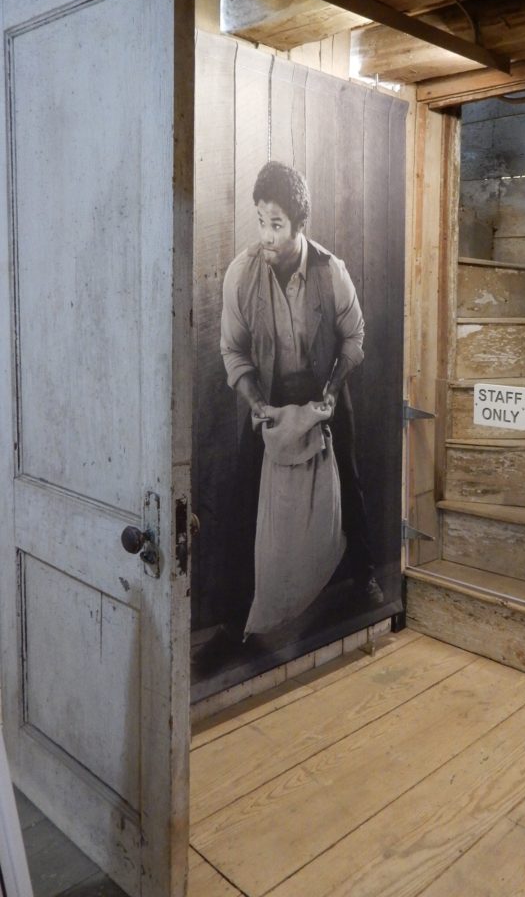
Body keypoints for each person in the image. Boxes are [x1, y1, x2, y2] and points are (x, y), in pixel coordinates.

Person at [194, 161, 381, 674]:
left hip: (323, 391)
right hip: (270, 396)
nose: (267, 235)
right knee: (242, 503)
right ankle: (234, 624)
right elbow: (233, 350)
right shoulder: (241, 273)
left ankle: (360, 575)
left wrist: (330, 389)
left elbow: (354, 338)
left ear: (300, 225)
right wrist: (255, 401)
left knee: (351, 484)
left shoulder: (330, 271)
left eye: (277, 224)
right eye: (260, 221)